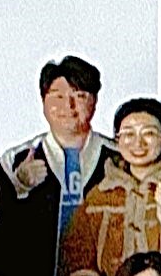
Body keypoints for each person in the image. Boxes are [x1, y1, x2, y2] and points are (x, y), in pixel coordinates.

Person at [60, 96, 161, 276]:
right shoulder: (100, 194)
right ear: (117, 140)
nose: (138, 143)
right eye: (128, 134)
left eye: (149, 133)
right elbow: (79, 245)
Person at [6, 55, 112, 229]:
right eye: (59, 97)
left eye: (80, 96)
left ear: (95, 101)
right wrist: (19, 184)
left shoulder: (119, 157)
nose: (69, 105)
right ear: (43, 101)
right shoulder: (15, 159)